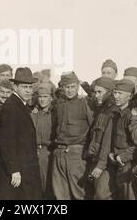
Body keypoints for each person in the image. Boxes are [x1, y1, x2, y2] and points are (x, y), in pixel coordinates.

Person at [0, 67, 42, 200]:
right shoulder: (11, 106)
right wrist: (14, 170)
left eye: (30, 87)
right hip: (17, 170)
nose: (28, 90)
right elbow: (7, 141)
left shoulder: (20, 105)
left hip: (24, 167)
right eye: (24, 87)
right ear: (15, 86)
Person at [52, 71, 94, 200]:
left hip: (77, 153)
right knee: (60, 193)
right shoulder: (59, 104)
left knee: (79, 192)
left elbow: (93, 128)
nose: (69, 90)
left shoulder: (85, 103)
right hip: (59, 152)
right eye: (66, 87)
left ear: (77, 86)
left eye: (72, 87)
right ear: (62, 88)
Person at [109, 79, 137, 200]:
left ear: (130, 96)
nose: (116, 96)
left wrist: (122, 157)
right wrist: (113, 153)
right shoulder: (118, 114)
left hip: (128, 164)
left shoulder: (132, 115)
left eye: (120, 93)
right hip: (118, 163)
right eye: (115, 93)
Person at [86, 77, 117, 200]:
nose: (96, 95)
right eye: (95, 92)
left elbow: (107, 142)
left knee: (102, 196)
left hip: (106, 164)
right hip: (96, 159)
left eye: (100, 92)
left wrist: (100, 165)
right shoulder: (101, 111)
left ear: (109, 93)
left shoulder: (112, 112)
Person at [30, 82, 56, 199]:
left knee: (49, 186)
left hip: (48, 153)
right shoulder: (33, 113)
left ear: (51, 97)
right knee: (35, 187)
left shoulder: (55, 114)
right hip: (34, 152)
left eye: (45, 97)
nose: (42, 100)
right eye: (40, 97)